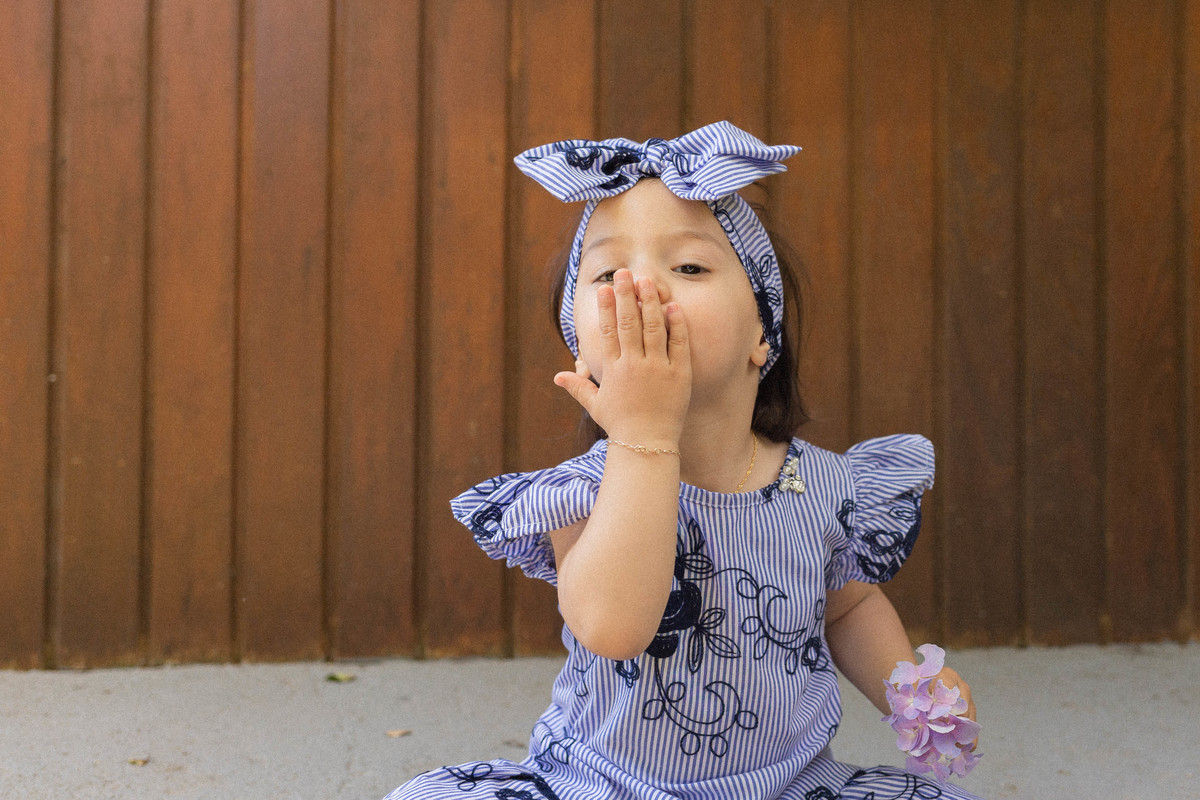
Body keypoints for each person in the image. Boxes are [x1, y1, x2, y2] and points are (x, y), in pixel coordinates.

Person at [383, 121, 981, 800]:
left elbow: (846, 608)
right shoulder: (582, 493)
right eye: (608, 273)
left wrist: (914, 692)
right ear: (581, 350)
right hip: (601, 784)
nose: (643, 288)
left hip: (790, 787)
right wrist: (644, 432)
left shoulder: (822, 486)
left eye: (689, 266)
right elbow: (613, 627)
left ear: (763, 331)